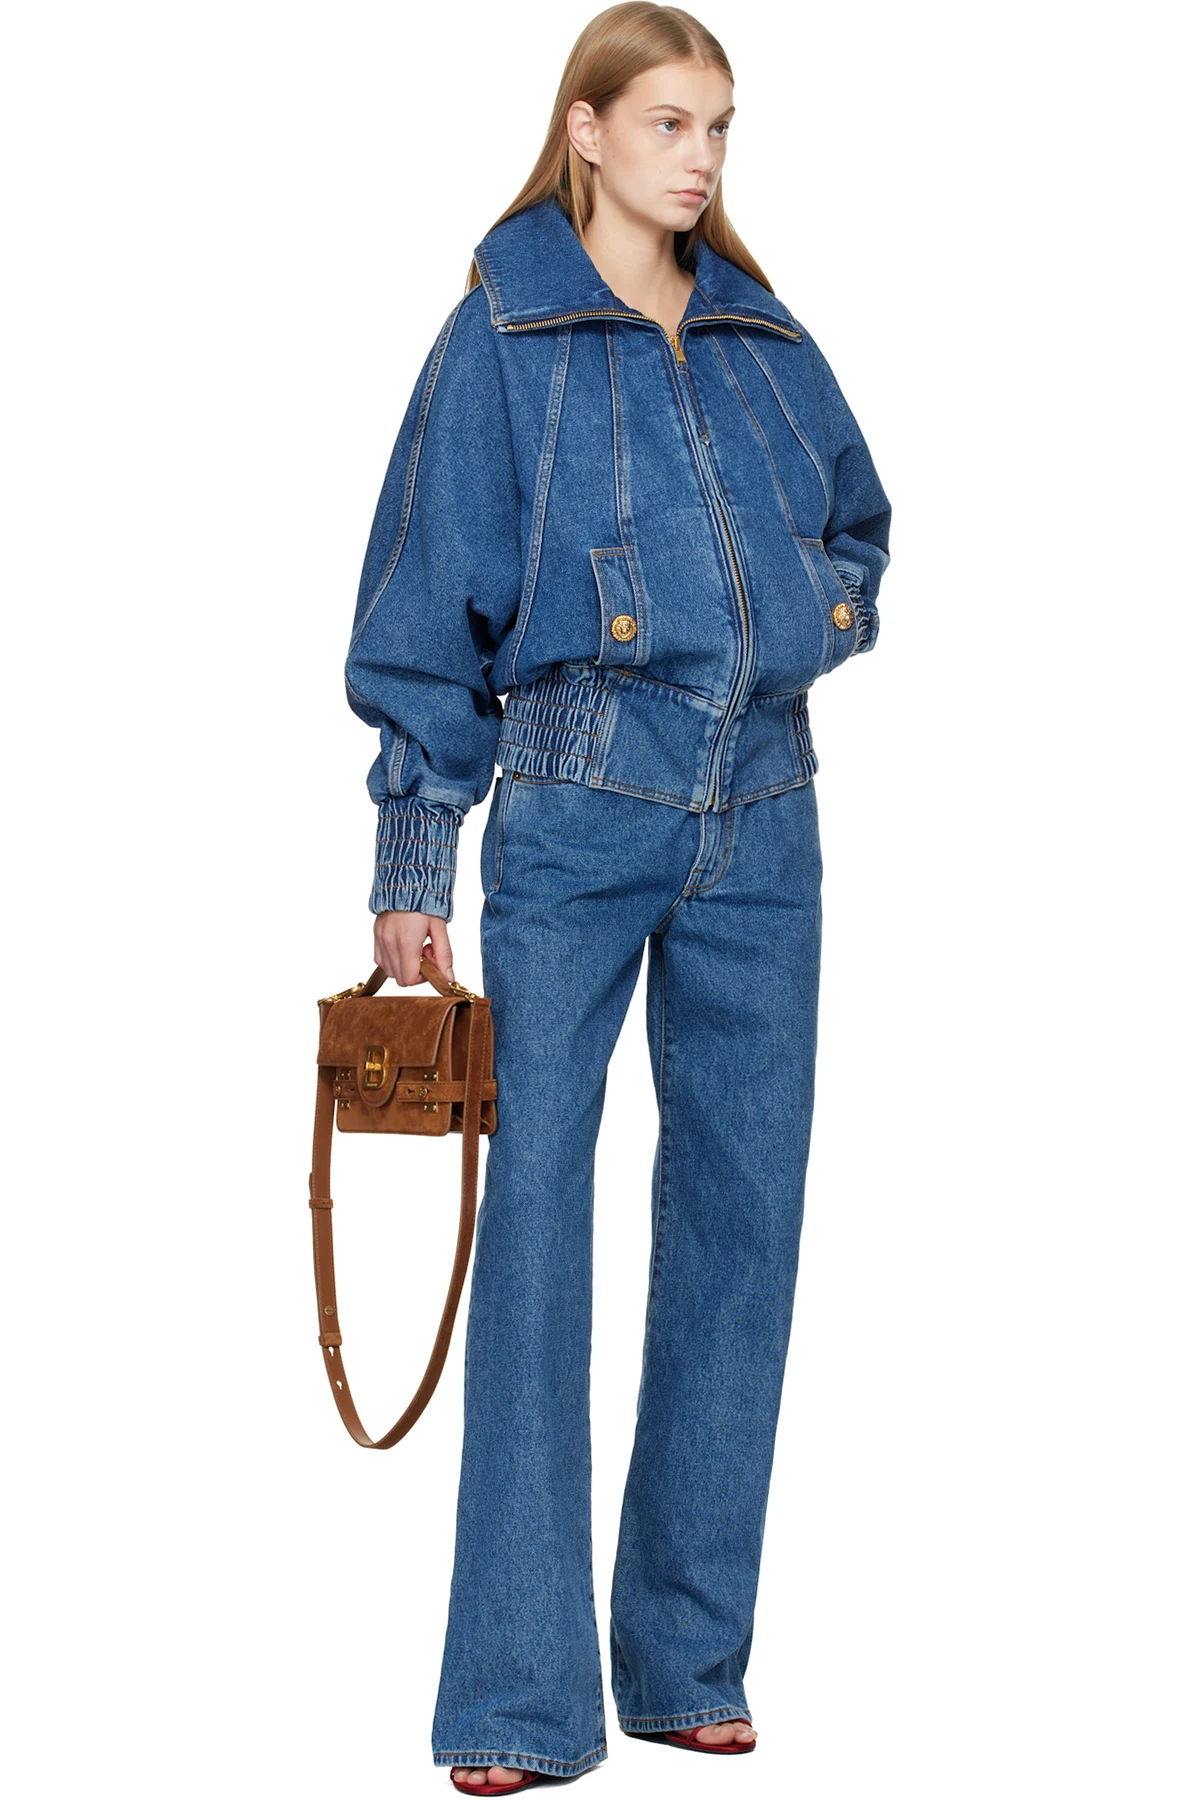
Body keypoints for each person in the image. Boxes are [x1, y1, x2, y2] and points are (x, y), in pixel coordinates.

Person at [344, 5, 892, 1789]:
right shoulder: (502, 332)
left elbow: (861, 526)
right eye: (669, 122)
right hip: (575, 811)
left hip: (767, 818)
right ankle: (518, 1701)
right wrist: (414, 858)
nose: (702, 158)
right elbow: (424, 608)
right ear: (583, 129)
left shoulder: (761, 335)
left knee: (744, 1225)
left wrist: (812, 616)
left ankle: (685, 1659)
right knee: (535, 1235)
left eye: (720, 126)